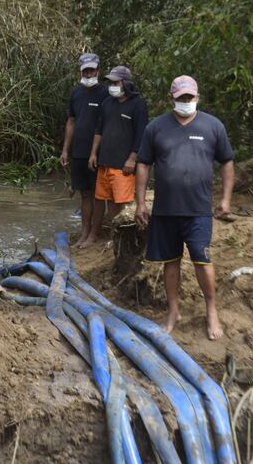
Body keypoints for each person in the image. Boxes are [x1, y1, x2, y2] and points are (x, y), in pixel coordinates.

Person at [135, 75, 234, 340]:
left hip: (199, 210)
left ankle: (211, 310)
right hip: (166, 210)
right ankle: (173, 312)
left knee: (202, 260)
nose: (186, 102)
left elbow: (226, 161)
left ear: (197, 97)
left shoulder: (213, 126)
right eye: (181, 98)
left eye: (190, 97)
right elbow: (143, 163)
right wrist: (141, 202)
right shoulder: (156, 128)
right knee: (171, 262)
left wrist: (226, 199)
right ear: (171, 99)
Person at [82, 65, 148, 248]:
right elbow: (99, 130)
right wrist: (93, 153)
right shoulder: (107, 103)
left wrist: (132, 158)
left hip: (123, 165)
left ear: (126, 83)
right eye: (110, 82)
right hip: (104, 162)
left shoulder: (138, 105)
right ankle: (114, 235)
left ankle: (125, 238)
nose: (112, 86)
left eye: (116, 82)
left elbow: (141, 135)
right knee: (108, 202)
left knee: (122, 203)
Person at [60, 52, 108, 247]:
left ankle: (94, 234)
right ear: (80, 72)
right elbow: (71, 121)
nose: (89, 74)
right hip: (79, 151)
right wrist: (65, 150)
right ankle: (84, 232)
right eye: (85, 71)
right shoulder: (76, 93)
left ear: (98, 70)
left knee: (98, 194)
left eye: (92, 70)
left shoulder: (105, 93)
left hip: (99, 153)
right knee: (84, 193)